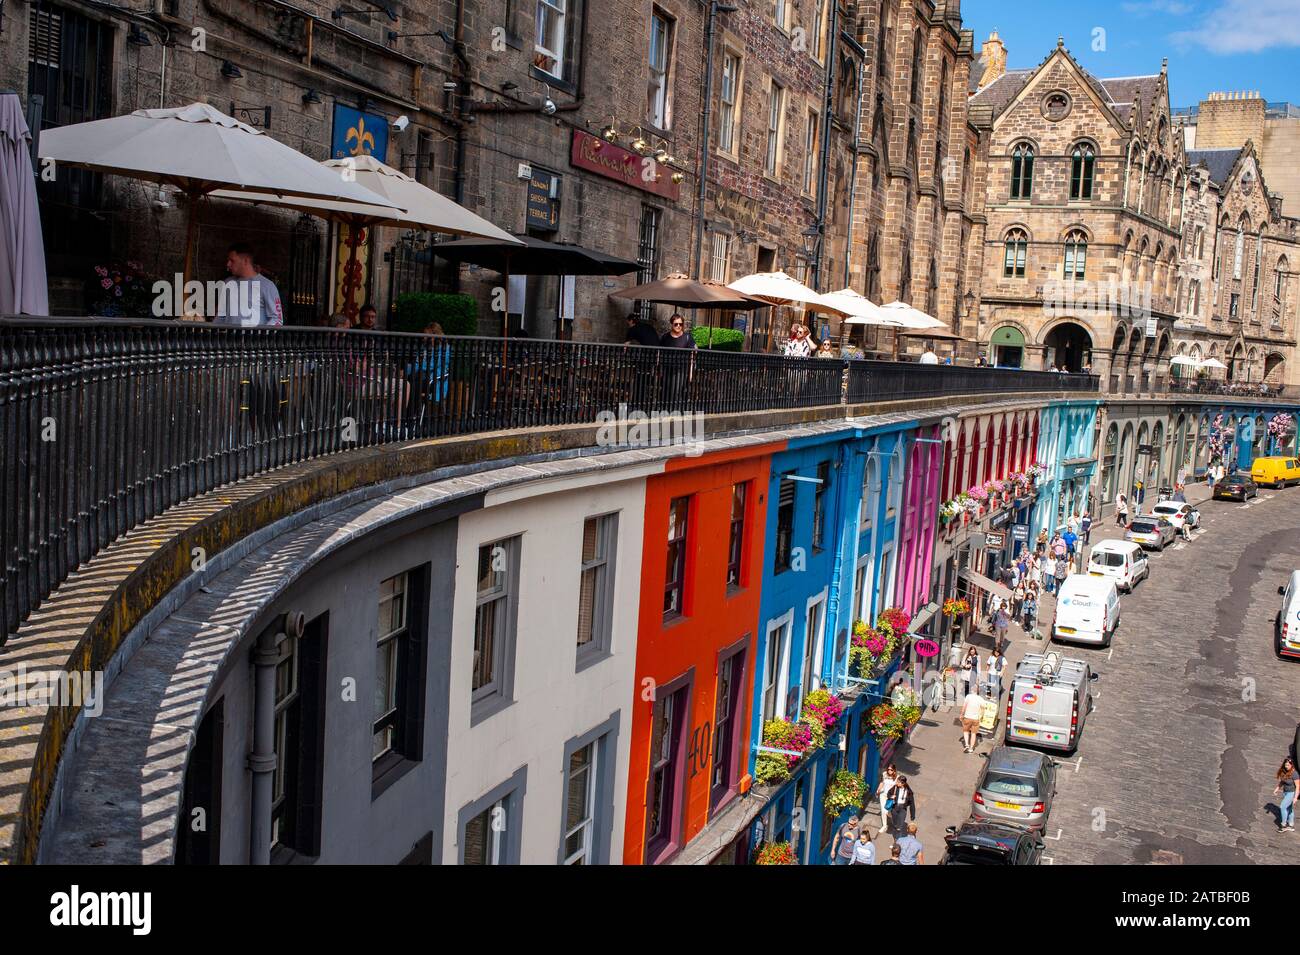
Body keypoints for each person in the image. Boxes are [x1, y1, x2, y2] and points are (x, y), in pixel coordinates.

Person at [213, 242, 283, 327]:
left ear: (245, 261)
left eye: (232, 261)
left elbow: (277, 319)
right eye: (228, 260)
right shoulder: (228, 283)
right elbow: (220, 316)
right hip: (228, 339)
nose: (228, 264)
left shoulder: (267, 286)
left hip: (254, 340)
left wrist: (260, 337)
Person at [875, 764, 899, 834]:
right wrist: (878, 790)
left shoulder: (897, 777)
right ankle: (884, 826)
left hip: (890, 797)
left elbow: (898, 787)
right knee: (883, 811)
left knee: (889, 812)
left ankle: (895, 820)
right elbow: (882, 783)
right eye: (888, 769)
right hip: (883, 795)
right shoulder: (884, 774)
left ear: (894, 770)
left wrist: (895, 796)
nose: (889, 771)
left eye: (891, 770)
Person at [1275, 757, 1298, 832]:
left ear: (1292, 765)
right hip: (1286, 792)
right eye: (1285, 765)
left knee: (1282, 807)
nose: (1286, 766)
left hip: (1292, 793)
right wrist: (1277, 788)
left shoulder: (1294, 773)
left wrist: (1295, 798)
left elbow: (1298, 786)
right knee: (1289, 809)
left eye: (1288, 765)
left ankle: (1284, 825)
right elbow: (1282, 781)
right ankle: (1291, 825)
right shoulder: (1284, 771)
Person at [961, 687, 984, 753]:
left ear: (972, 690)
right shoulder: (981, 699)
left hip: (967, 717)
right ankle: (971, 748)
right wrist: (980, 717)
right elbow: (983, 709)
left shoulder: (968, 696)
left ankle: (967, 745)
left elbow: (964, 706)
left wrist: (961, 714)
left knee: (966, 731)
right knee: (973, 733)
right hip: (976, 719)